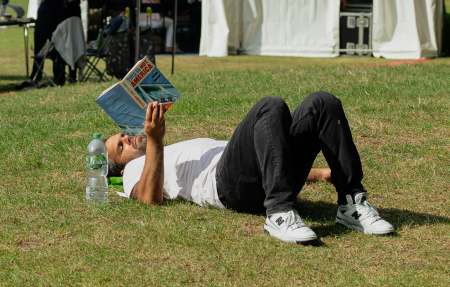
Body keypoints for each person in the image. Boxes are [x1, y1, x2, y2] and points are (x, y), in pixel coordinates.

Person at [105, 92, 394, 244]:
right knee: (270, 107)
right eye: (121, 146)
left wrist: (318, 173)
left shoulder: (166, 150)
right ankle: (279, 213)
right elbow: (147, 199)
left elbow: (270, 152)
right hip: (229, 186)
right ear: (121, 165)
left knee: (322, 103)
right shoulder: (137, 168)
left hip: (261, 175)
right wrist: (155, 139)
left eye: (123, 135)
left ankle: (351, 202)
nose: (127, 139)